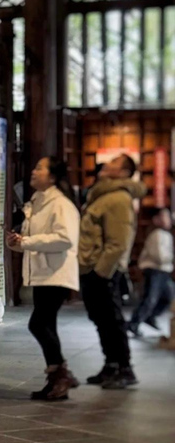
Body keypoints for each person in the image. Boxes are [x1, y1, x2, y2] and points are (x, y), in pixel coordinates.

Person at [6, 157, 81, 401]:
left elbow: (65, 238)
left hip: (55, 274)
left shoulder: (60, 204)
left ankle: (60, 373)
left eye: (40, 168)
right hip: (44, 273)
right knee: (45, 324)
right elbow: (32, 238)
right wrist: (17, 243)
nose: (34, 171)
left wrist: (26, 241)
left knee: (39, 324)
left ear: (52, 177)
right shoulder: (38, 202)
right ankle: (57, 379)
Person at [78, 154, 147, 389]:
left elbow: (118, 242)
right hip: (92, 266)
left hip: (103, 270)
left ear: (125, 173)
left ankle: (124, 368)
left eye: (115, 162)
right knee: (101, 319)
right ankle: (111, 365)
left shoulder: (118, 198)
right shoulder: (102, 194)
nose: (107, 163)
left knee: (112, 319)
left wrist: (101, 271)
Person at [127, 208, 174, 336]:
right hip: (154, 270)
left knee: (169, 297)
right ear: (156, 220)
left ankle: (150, 316)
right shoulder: (156, 234)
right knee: (150, 299)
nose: (168, 219)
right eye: (165, 216)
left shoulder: (167, 234)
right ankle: (134, 323)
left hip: (164, 271)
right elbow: (159, 256)